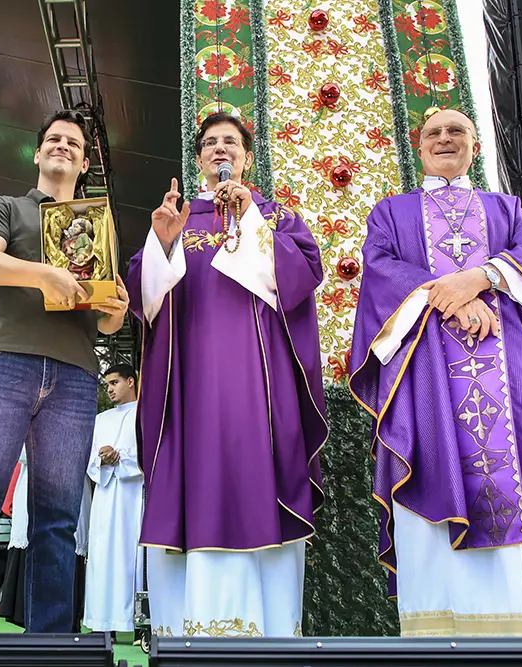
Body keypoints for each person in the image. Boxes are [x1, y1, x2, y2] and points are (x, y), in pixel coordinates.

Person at [349, 108, 522, 637]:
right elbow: (380, 269)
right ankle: (447, 635)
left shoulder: (506, 208)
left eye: (457, 131)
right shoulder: (392, 213)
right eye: (433, 132)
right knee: (435, 471)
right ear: (419, 146)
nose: (444, 139)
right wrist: (452, 299)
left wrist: (481, 277)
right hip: (431, 378)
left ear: (474, 147)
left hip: (513, 380)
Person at [125, 111, 328, 638]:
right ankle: (186, 632)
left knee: (257, 476)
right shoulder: (177, 216)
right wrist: (164, 244)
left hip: (258, 389)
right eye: (211, 143)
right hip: (188, 385)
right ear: (198, 159)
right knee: (190, 479)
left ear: (247, 157)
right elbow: (139, 297)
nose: (220, 150)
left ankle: (269, 634)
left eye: (230, 143)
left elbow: (302, 278)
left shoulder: (274, 216)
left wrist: (250, 222)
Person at [0, 109, 131, 633]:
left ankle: (51, 647)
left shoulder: (99, 225)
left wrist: (115, 309)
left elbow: (107, 322)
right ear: (38, 153)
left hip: (76, 377)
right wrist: (44, 273)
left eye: (73, 143)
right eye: (54, 139)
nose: (62, 146)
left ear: (85, 162)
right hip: (2, 365)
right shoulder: (6, 208)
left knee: (57, 522)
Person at [0, 448, 92, 632]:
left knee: (66, 546)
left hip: (70, 483)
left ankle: (67, 621)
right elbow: (18, 451)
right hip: (35, 482)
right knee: (33, 547)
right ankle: (31, 621)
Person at [84, 364, 144, 641]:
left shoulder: (146, 413)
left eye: (114, 382)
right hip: (106, 498)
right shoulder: (100, 420)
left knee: (131, 556)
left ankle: (134, 622)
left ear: (131, 381)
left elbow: (150, 454)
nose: (109, 389)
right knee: (102, 556)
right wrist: (101, 459)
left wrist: (122, 458)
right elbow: (89, 461)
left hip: (135, 499)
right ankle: (101, 620)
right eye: (107, 384)